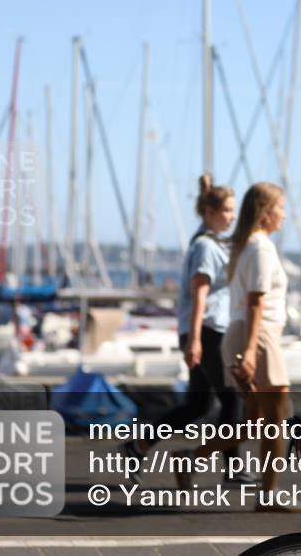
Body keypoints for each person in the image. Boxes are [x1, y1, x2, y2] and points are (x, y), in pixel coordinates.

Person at [120, 175, 248, 484]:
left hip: (203, 331)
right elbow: (199, 293)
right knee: (232, 399)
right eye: (228, 210)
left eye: (233, 210)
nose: (232, 216)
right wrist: (194, 340)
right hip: (206, 331)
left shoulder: (211, 242)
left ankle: (138, 446)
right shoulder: (205, 246)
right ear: (210, 211)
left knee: (198, 404)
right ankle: (232, 469)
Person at [182, 182, 298, 512]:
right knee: (276, 418)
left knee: (257, 423)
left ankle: (191, 459)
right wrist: (249, 352)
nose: (284, 215)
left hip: (244, 332)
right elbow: (255, 302)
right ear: (265, 211)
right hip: (257, 334)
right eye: (281, 207)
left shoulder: (244, 245)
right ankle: (268, 497)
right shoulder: (260, 247)